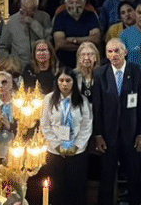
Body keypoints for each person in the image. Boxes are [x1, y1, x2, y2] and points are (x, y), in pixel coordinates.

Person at [92, 39, 141, 205]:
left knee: (134, 179)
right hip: (108, 136)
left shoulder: (137, 71)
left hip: (132, 135)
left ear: (124, 52)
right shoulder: (100, 74)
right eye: (109, 51)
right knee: (107, 179)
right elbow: (97, 107)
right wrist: (99, 134)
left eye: (117, 50)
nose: (113, 55)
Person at [41, 67, 94, 205]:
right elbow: (45, 125)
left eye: (68, 80)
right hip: (55, 152)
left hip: (77, 153)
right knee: (57, 190)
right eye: (61, 80)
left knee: (76, 190)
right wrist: (57, 146)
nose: (64, 84)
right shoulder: (49, 99)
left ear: (74, 82)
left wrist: (76, 147)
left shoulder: (82, 101)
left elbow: (86, 126)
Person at [53, 0, 103, 68]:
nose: (74, 6)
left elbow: (96, 39)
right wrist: (86, 45)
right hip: (64, 64)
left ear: (84, 2)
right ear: (65, 4)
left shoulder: (91, 16)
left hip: (89, 63)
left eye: (78, 2)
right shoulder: (60, 17)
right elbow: (59, 44)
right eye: (71, 2)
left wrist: (73, 40)